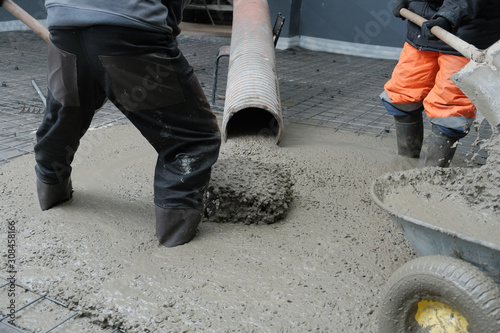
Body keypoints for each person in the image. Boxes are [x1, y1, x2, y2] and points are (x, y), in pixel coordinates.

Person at [34, 0, 221, 247]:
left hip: (64, 29)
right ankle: (174, 241)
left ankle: (51, 200)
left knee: (64, 121)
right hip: (130, 31)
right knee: (193, 139)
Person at [380, 0, 500, 167]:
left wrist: (448, 17)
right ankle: (407, 163)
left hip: (464, 37)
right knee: (404, 92)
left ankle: (432, 176)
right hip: (422, 30)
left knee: (449, 108)